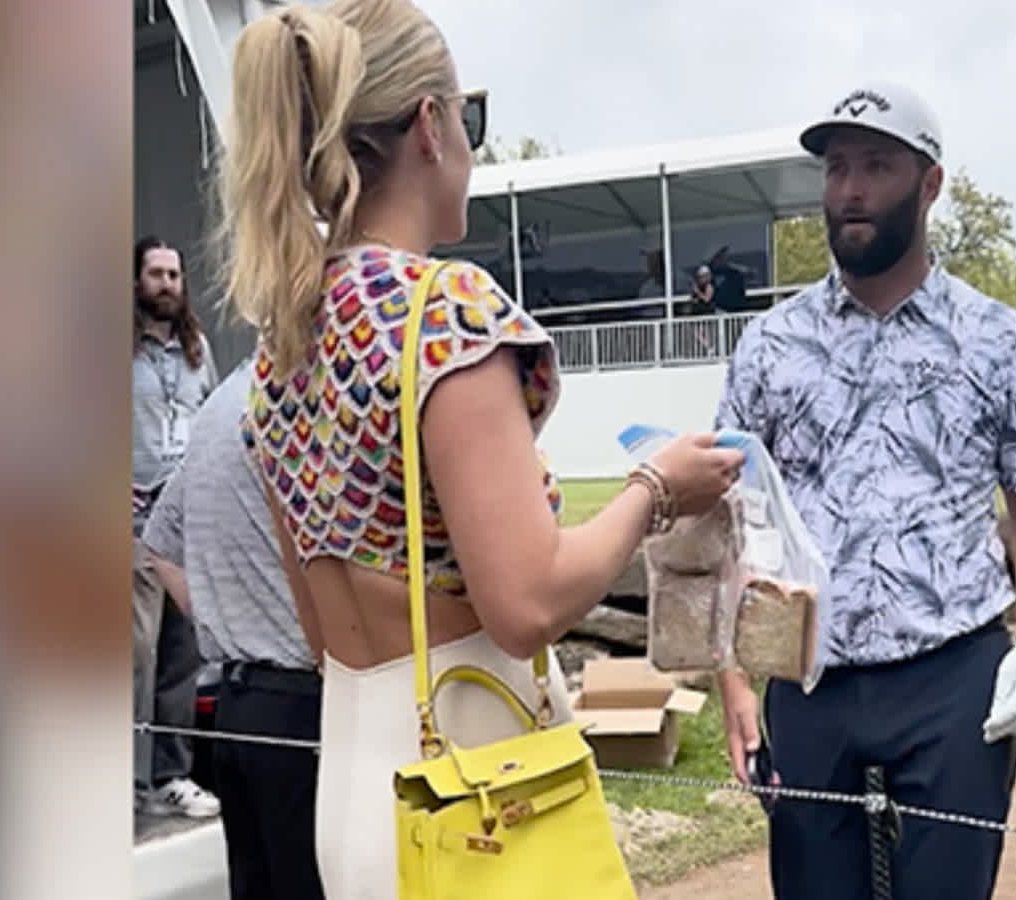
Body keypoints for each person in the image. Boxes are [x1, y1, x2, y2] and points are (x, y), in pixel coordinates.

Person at [212, 2, 745, 896]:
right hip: (476, 784)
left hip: (356, 787)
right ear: (430, 125)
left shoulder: (284, 345)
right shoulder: (443, 312)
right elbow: (526, 604)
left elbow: (316, 623)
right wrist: (657, 488)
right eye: (470, 117)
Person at [713, 81, 1016, 900]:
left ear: (930, 184)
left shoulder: (995, 338)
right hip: (810, 676)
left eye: (877, 166)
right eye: (837, 167)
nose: (850, 189)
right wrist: (734, 679)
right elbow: (733, 517)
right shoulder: (770, 346)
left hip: (954, 674)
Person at [141, 356, 325, 900]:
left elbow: (159, 542)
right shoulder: (303, 400)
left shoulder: (220, 404)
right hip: (307, 698)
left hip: (240, 705)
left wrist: (220, 617)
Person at [132, 234, 222, 818]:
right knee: (134, 653)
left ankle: (171, 776)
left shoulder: (197, 349)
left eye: (174, 275)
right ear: (135, 281)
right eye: (156, 273)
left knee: (182, 655)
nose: (166, 284)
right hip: (133, 521)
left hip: (186, 524)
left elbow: (212, 419)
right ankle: (128, 785)